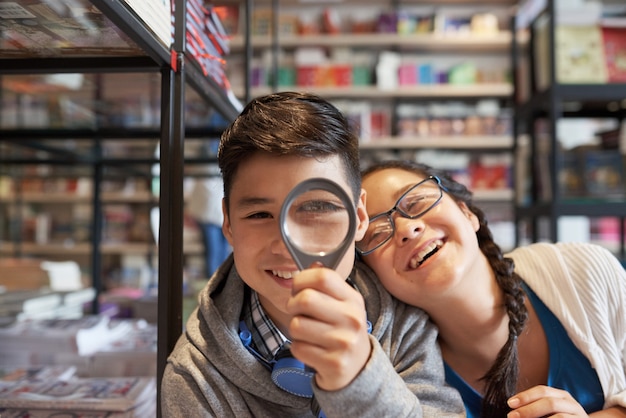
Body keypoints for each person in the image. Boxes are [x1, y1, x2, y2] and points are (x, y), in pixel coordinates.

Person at [161, 92, 465, 417]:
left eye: (318, 207)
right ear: (228, 223)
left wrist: (361, 380)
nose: (286, 244)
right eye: (259, 215)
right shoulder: (193, 377)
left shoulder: (405, 321)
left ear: (359, 216)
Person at [356, 159, 626, 418]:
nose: (407, 228)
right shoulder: (394, 369)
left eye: (416, 202)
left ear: (467, 212)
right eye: (377, 234)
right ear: (374, 278)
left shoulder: (581, 272)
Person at [188, 168, 232, 278]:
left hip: (223, 215)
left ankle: (223, 285)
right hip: (209, 216)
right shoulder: (205, 167)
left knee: (224, 252)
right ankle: (214, 287)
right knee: (214, 252)